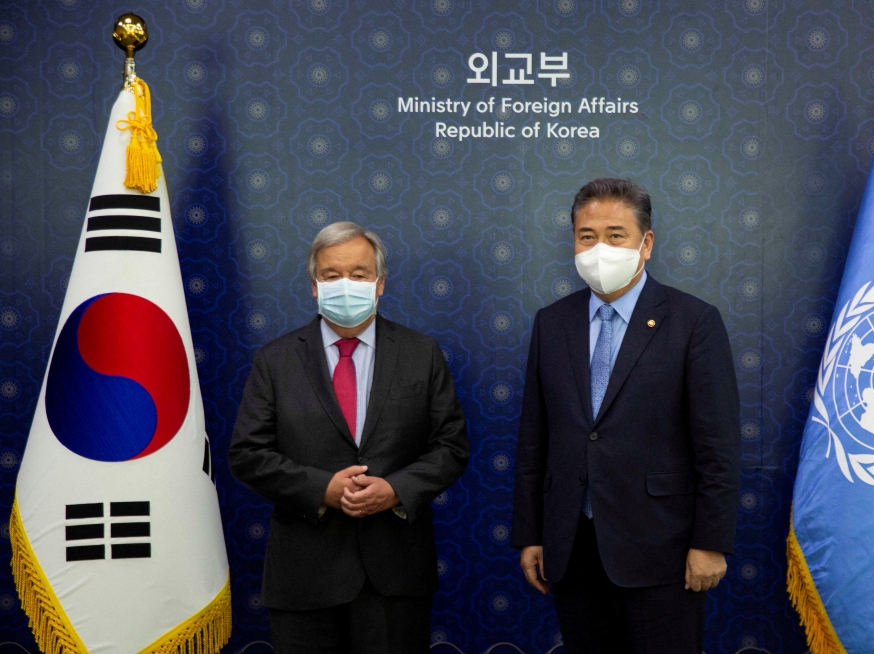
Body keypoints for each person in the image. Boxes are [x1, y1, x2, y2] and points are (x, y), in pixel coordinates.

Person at [512, 178, 740, 654]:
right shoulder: (551, 323)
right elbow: (535, 439)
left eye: (616, 235)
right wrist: (531, 533)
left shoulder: (692, 321)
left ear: (646, 243)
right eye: (587, 236)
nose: (600, 248)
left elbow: (718, 447)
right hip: (573, 547)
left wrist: (711, 542)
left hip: (664, 551)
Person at [229, 221, 469, 653]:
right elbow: (247, 454)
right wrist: (324, 489)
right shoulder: (276, 361)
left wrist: (396, 489)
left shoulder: (421, 353)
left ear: (379, 285)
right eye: (331, 275)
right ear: (314, 286)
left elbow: (451, 447)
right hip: (304, 577)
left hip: (395, 575)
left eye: (359, 275)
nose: (346, 285)